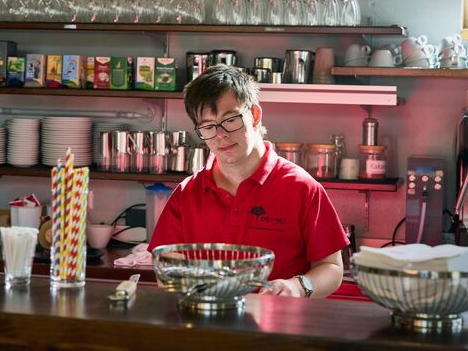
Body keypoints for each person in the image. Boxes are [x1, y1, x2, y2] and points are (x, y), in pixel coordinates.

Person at [148, 64, 349, 298]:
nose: (221, 135)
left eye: (230, 119)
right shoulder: (187, 194)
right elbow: (168, 270)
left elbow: (332, 269)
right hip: (207, 327)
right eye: (208, 126)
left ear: (254, 115)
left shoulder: (302, 188)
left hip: (278, 330)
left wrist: (297, 286)